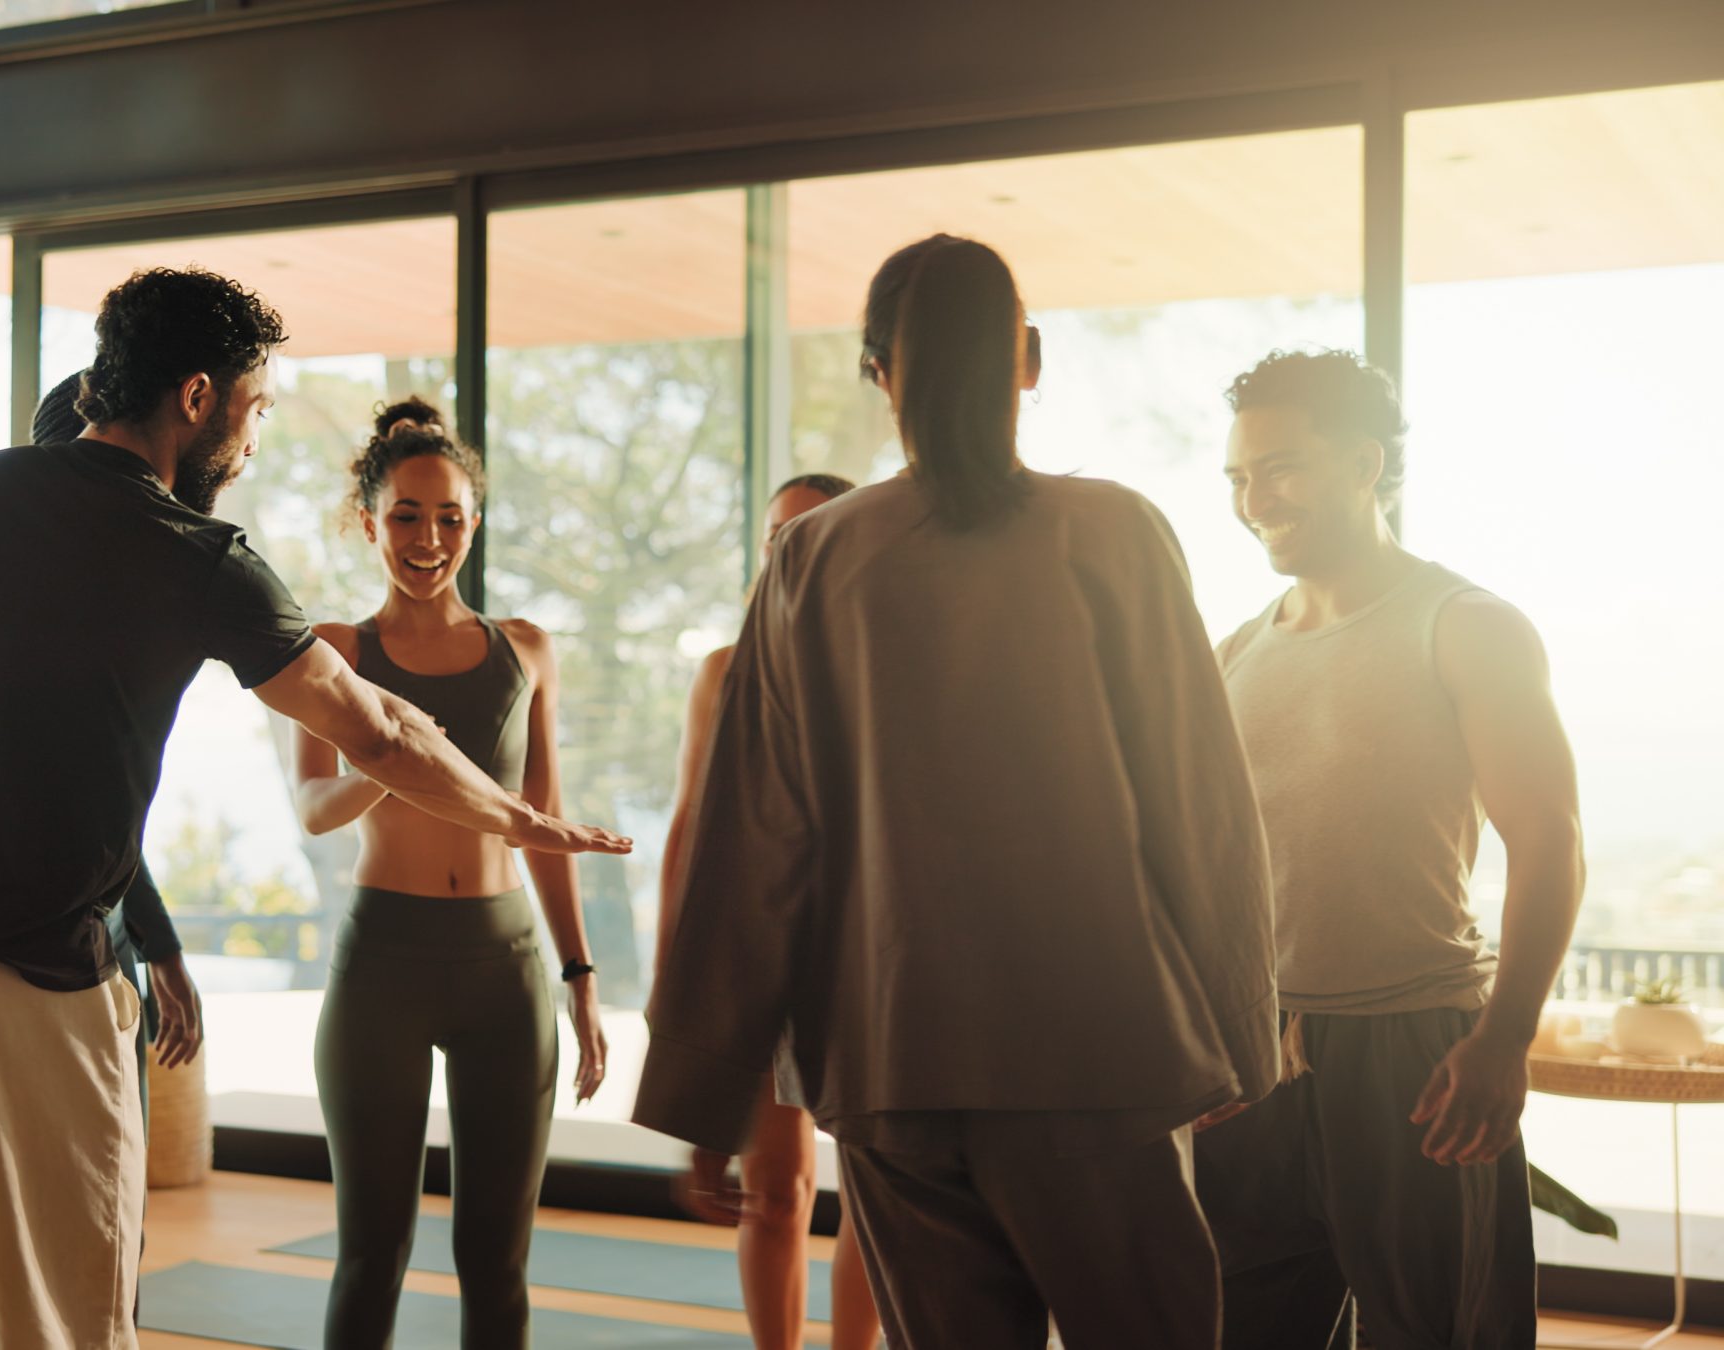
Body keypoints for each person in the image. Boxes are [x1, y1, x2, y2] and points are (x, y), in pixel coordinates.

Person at [0, 267, 629, 1350]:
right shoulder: (195, 553)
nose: (256, 437)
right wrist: (519, 819)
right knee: (69, 1320)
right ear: (197, 398)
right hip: (27, 974)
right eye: (256, 406)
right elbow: (379, 733)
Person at [632, 233, 1278, 1350]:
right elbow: (1201, 805)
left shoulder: (810, 559)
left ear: (878, 371)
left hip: (893, 1065)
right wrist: (1238, 1030)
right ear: (1027, 359)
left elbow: (757, 845)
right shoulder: (1115, 533)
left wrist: (708, 1085)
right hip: (1100, 1051)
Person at [1194, 349, 1581, 1350]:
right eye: (1239, 477)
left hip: (1417, 1050)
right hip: (1256, 1054)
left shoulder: (1466, 625)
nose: (1254, 501)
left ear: (1364, 464)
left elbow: (1549, 839)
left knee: (1436, 1334)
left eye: (1281, 469)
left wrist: (1504, 1038)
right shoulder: (1235, 652)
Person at [289, 397, 609, 1350]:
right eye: (405, 516)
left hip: (503, 970)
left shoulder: (527, 650)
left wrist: (581, 977)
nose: (427, 539)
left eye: (449, 518)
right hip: (381, 966)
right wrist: (389, 758)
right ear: (368, 522)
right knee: (370, 1256)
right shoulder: (335, 652)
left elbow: (542, 825)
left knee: (497, 1265)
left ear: (475, 522)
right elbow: (312, 808)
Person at [0, 373, 205, 1350]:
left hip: (102, 956)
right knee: (57, 1245)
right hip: (36, 971)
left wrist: (160, 949)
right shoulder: (25, 621)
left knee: (91, 1241)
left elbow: (106, 825)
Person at [656, 473, 880, 1350]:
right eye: (776, 535)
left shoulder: (884, 668)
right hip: (762, 959)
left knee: (872, 1199)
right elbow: (690, 831)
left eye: (810, 533)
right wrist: (676, 980)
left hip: (865, 963)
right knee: (774, 1191)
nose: (790, 550)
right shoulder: (725, 671)